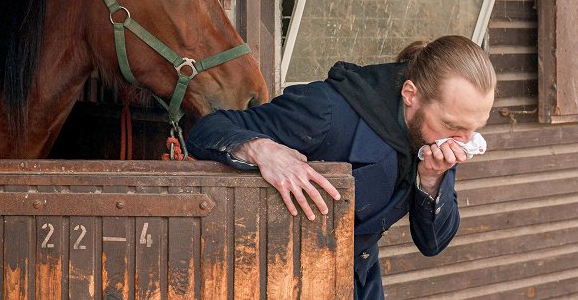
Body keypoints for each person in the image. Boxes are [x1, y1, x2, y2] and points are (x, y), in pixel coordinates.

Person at [186, 35, 496, 299]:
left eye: (474, 128)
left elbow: (433, 244)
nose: (467, 142)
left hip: (359, 281)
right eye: (454, 126)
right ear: (410, 94)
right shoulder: (327, 109)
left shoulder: (444, 136)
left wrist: (431, 179)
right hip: (282, 280)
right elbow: (206, 130)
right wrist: (260, 149)